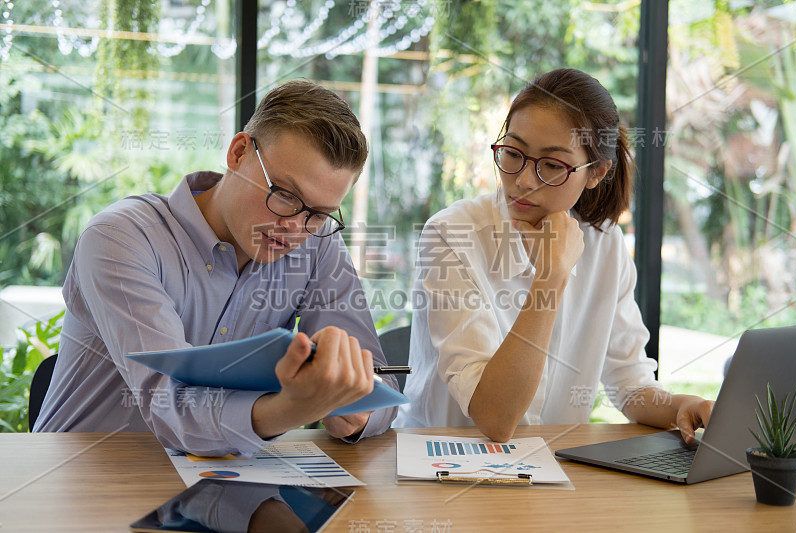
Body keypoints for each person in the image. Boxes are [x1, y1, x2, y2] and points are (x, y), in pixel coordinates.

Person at [35, 80, 398, 456]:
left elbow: (379, 382)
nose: (296, 226)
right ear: (239, 153)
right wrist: (292, 408)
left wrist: (356, 410)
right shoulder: (120, 238)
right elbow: (168, 405)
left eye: (319, 214)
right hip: (78, 483)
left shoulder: (317, 244)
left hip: (222, 485)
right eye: (286, 195)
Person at [394, 68, 714, 443]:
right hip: (441, 468)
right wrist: (550, 278)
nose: (524, 180)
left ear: (596, 173)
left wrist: (679, 406)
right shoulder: (451, 235)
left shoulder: (604, 243)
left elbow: (630, 384)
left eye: (551, 165)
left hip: (549, 468)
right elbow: (495, 419)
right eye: (513, 153)